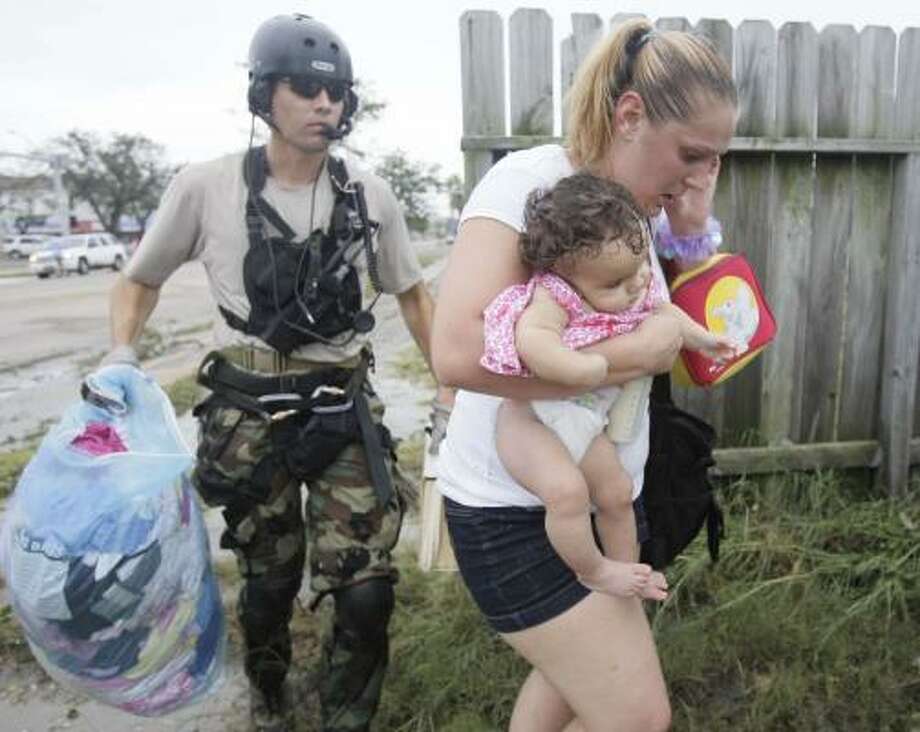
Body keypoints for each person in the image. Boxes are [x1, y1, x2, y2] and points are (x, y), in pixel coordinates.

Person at [100, 14, 448, 732]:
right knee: (268, 580)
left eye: (337, 94)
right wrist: (120, 356)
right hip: (246, 414)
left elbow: (414, 295)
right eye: (306, 90)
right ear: (265, 97)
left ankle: (346, 716)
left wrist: (454, 387)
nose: (326, 106)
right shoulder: (205, 186)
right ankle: (269, 693)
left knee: (366, 593)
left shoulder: (369, 194)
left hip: (339, 407)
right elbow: (139, 280)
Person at [432, 18, 738, 732]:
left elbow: (696, 348)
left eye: (714, 160)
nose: (700, 174)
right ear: (630, 115)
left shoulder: (636, 209)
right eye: (691, 154)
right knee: (638, 716)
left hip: (597, 499)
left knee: (570, 691)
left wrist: (690, 229)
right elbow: (454, 351)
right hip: (515, 510)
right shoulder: (533, 185)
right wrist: (627, 357)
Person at [482, 173, 738, 602]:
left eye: (639, 269)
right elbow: (534, 341)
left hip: (586, 414)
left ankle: (629, 574)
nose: (636, 284)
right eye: (615, 284)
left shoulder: (632, 276)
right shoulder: (555, 295)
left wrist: (705, 339)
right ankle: (595, 570)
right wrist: (585, 368)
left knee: (617, 494)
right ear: (564, 273)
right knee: (568, 495)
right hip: (542, 417)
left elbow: (666, 312)